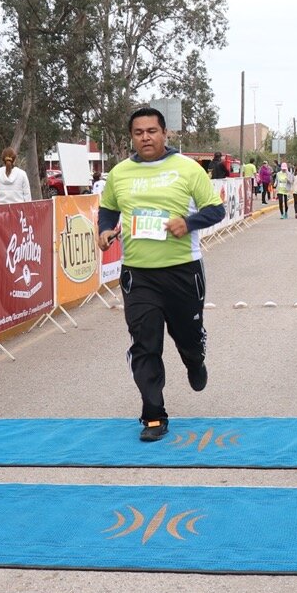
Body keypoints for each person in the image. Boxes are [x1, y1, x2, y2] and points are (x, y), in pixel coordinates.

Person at [98, 107, 224, 442]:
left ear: (165, 133)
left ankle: (194, 359)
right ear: (131, 137)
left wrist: (189, 223)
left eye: (152, 131)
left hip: (183, 270)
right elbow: (108, 209)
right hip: (138, 274)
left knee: (187, 338)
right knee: (145, 343)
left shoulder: (187, 168)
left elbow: (216, 209)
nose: (145, 137)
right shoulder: (119, 173)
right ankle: (153, 415)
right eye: (138, 132)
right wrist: (105, 230)